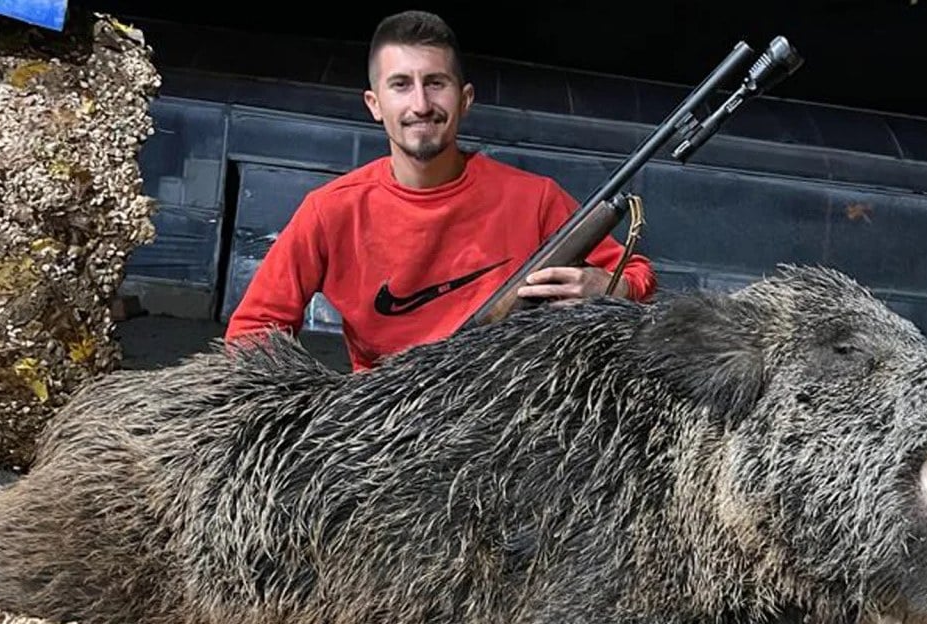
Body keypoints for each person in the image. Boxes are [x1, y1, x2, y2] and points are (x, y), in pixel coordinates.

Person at [225, 9, 657, 372]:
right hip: (380, 431)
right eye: (400, 85)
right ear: (375, 105)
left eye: (436, 83)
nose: (420, 104)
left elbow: (639, 276)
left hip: (506, 423)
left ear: (464, 98)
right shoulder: (330, 211)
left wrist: (610, 287)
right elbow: (253, 331)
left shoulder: (535, 199)